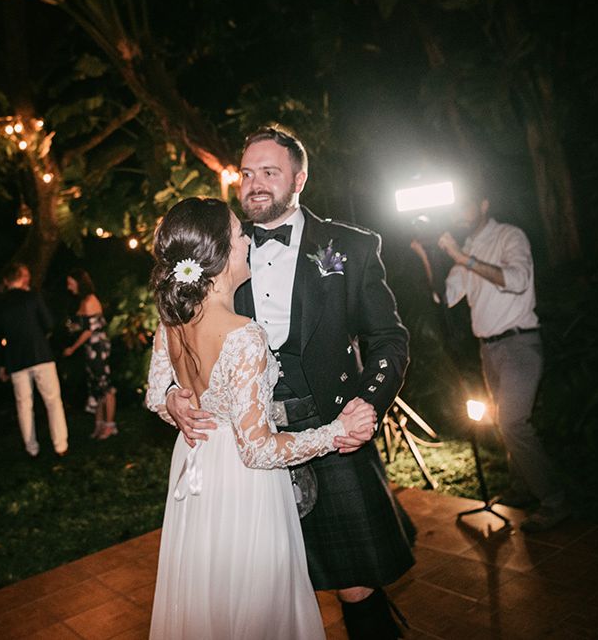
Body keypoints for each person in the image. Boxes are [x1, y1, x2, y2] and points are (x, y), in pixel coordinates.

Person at [167, 126, 415, 639]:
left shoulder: (348, 246)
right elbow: (179, 335)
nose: (255, 184)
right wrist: (174, 395)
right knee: (255, 590)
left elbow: (389, 338)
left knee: (356, 583)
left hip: (329, 428)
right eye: (247, 173)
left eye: (270, 172)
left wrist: (368, 403)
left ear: (300, 179)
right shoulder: (219, 249)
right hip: (242, 444)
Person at [146, 197, 376, 640]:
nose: (247, 239)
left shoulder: (172, 319)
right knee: (257, 604)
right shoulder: (244, 335)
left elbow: (158, 393)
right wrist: (337, 432)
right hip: (242, 481)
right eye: (237, 235)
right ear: (217, 254)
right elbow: (258, 449)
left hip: (195, 470)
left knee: (210, 595)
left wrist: (175, 399)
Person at [411, 189, 570, 532]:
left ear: (484, 203)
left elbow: (516, 280)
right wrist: (428, 257)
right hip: (489, 349)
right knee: (503, 421)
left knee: (514, 423)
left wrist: (461, 257)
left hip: (519, 344)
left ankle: (554, 500)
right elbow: (445, 297)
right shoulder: (464, 250)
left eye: (466, 202)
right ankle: (522, 488)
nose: (459, 211)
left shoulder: (509, 236)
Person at [0, 263, 69, 457]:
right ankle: (60, 446)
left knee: (24, 406)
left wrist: (2, 365)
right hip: (40, 355)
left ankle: (31, 448)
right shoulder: (32, 296)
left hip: (16, 360)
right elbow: (49, 323)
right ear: (20, 277)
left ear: (6, 281)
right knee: (53, 401)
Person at [64, 269, 117, 440]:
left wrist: (72, 348)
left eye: (70, 282)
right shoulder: (83, 301)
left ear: (79, 282)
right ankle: (99, 424)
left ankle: (110, 425)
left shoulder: (90, 300)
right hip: (91, 349)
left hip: (98, 348)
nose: (68, 286)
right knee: (96, 386)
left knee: (105, 385)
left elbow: (89, 330)